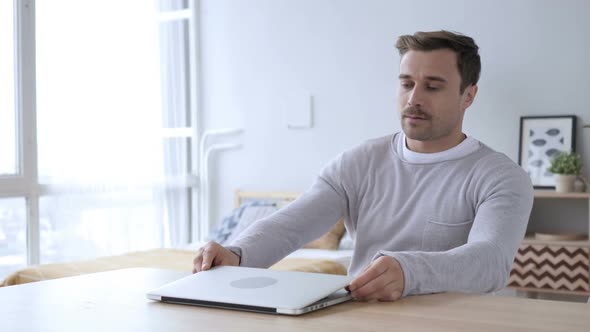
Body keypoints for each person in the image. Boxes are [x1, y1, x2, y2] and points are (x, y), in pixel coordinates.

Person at [192, 30, 534, 302]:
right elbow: (292, 224)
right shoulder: (358, 162)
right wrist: (238, 254)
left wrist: (409, 271)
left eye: (432, 86)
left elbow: (490, 261)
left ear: (469, 96)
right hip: (362, 316)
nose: (414, 98)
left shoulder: (501, 177)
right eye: (406, 83)